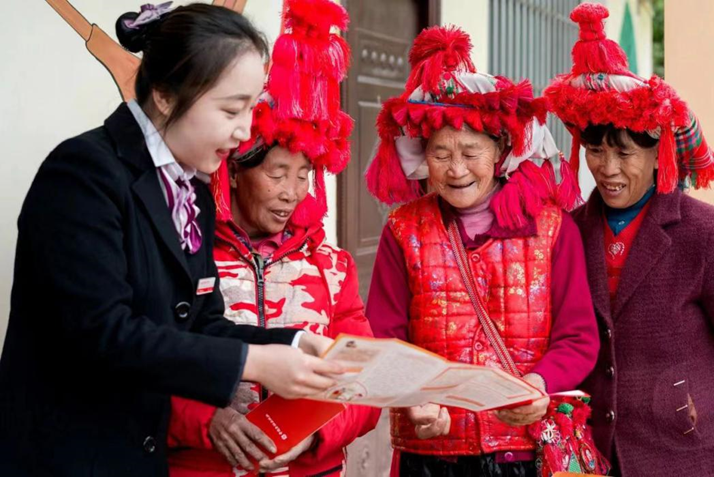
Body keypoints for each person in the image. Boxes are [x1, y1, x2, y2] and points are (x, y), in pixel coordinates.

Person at [0, 4, 341, 476]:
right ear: (164, 95)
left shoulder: (190, 191)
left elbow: (200, 322)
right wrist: (255, 362)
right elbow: (103, 333)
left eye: (251, 108)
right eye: (231, 109)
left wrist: (295, 341)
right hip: (68, 456)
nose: (245, 131)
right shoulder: (84, 173)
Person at [364, 26, 599, 476]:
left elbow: (578, 337)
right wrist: (412, 398)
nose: (456, 170)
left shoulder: (553, 229)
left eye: (471, 152)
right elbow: (384, 339)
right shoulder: (403, 230)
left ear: (501, 151)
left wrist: (538, 384)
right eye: (440, 154)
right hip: (431, 453)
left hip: (525, 452)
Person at [167, 1, 379, 475]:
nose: (292, 192)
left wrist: (314, 436)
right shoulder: (187, 253)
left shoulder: (331, 266)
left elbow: (364, 382)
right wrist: (207, 421)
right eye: (278, 173)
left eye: (304, 175)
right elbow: (147, 361)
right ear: (234, 171)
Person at [545, 3, 714, 476]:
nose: (607, 168)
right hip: (589, 456)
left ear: (659, 153)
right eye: (595, 151)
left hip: (681, 455)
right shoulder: (568, 230)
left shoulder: (702, 232)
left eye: (624, 154)